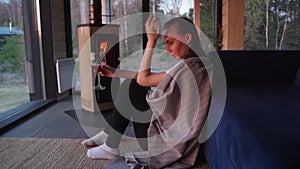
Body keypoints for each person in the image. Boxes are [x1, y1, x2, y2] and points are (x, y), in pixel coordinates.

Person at [82, 14, 213, 168]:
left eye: (170, 42)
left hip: (163, 141)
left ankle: (111, 143)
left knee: (133, 86)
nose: (167, 50)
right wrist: (116, 73)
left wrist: (151, 41)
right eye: (164, 45)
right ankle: (108, 135)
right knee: (133, 85)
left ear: (188, 38)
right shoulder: (199, 64)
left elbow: (143, 80)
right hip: (170, 135)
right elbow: (152, 78)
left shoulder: (188, 68)